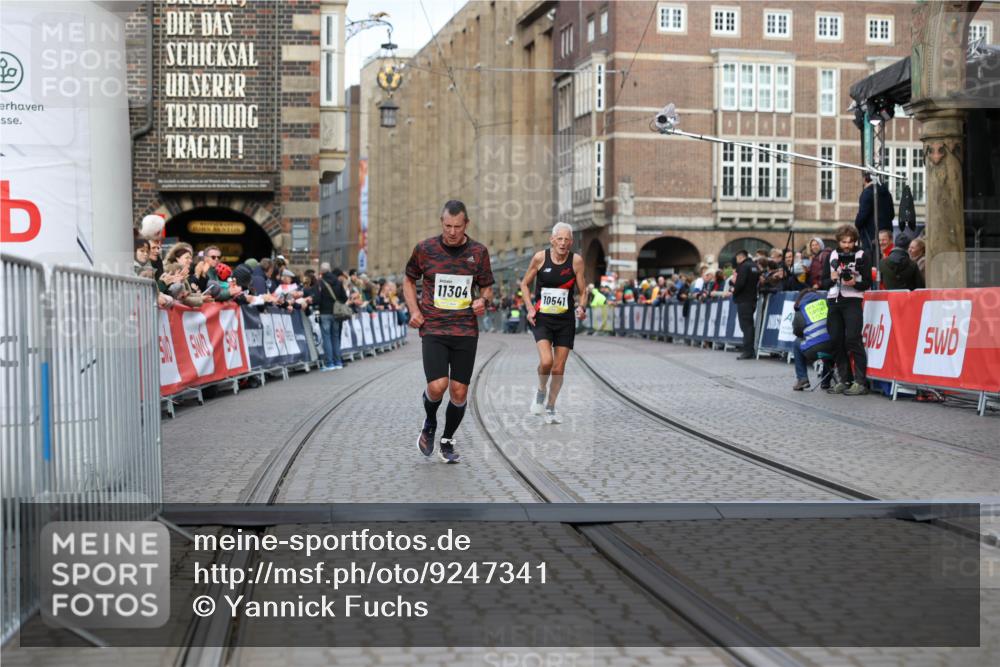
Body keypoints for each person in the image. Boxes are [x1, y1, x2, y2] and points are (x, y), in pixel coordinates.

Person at [404, 200, 494, 464]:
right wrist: (414, 310)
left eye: (457, 226)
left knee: (459, 392)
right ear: (441, 223)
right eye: (447, 226)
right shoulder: (425, 249)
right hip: (434, 327)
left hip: (465, 330)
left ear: (466, 224)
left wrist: (483, 300)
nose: (452, 232)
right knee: (438, 386)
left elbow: (487, 286)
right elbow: (408, 279)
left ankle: (447, 440)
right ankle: (430, 422)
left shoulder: (478, 252)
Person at [519, 222, 588, 424]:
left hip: (565, 321)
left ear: (571, 242)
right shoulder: (540, 258)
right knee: (547, 361)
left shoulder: (576, 261)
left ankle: (550, 406)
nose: (563, 243)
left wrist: (582, 307)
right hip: (543, 319)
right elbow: (524, 284)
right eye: (559, 239)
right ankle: (541, 391)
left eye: (567, 239)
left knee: (558, 368)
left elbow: (583, 290)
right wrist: (530, 308)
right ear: (552, 240)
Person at [822, 224, 871, 396]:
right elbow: (823, 282)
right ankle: (844, 379)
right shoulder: (831, 255)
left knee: (853, 339)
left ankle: (860, 382)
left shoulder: (862, 255)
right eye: (844, 242)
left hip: (853, 301)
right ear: (838, 241)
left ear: (855, 241)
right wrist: (832, 278)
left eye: (850, 242)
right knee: (836, 340)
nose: (847, 245)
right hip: (834, 300)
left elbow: (867, 283)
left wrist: (854, 283)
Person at [791, 288, 833, 391]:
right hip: (833, 349)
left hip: (813, 350)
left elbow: (797, 332)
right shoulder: (826, 304)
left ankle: (802, 379)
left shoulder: (801, 310)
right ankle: (826, 381)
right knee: (827, 341)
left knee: (797, 343)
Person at [855, 172, 895, 259]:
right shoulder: (887, 193)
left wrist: (857, 223)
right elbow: (892, 215)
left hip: (871, 235)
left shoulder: (867, 193)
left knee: (872, 261)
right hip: (887, 234)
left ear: (865, 180)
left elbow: (862, 217)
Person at [317, 268, 349, 370]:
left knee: (327, 338)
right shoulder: (338, 283)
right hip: (336, 313)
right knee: (335, 337)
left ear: (322, 274)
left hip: (324, 313)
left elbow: (317, 298)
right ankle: (338, 362)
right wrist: (338, 303)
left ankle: (329, 363)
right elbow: (345, 297)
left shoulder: (320, 282)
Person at [732, 249, 759, 359]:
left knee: (746, 326)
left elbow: (740, 283)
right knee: (749, 325)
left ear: (740, 257)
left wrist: (734, 292)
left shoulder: (743, 267)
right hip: (752, 299)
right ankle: (749, 349)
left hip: (744, 300)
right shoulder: (754, 266)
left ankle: (748, 351)